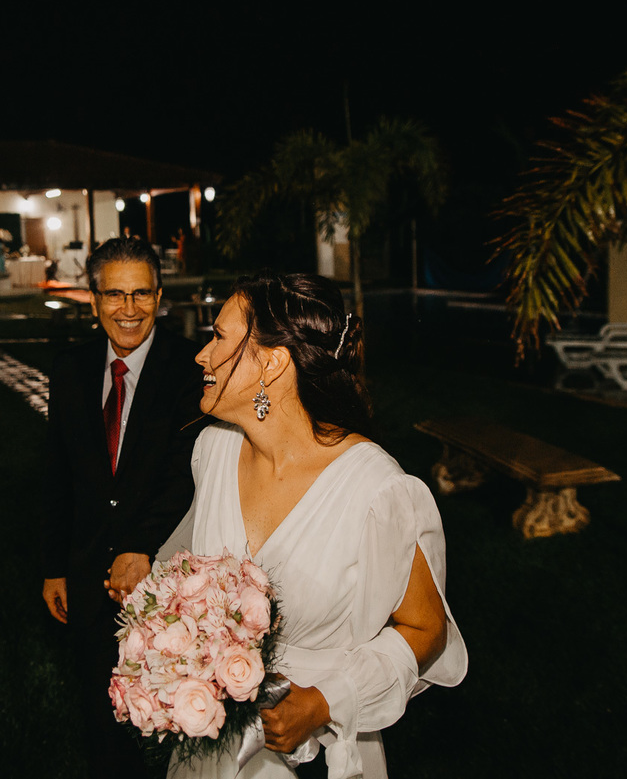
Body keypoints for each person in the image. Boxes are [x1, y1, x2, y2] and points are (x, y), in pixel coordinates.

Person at [160, 272, 467, 779]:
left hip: (319, 754)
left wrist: (329, 700)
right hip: (214, 743)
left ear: (273, 362)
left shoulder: (376, 490)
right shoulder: (213, 450)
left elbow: (426, 628)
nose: (202, 354)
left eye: (218, 337)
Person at [41, 237, 206, 779]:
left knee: (173, 718)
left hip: (163, 572)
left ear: (160, 297)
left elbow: (189, 469)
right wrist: (55, 567)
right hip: (87, 576)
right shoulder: (68, 370)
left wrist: (143, 545)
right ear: (93, 300)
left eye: (141, 294)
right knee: (101, 717)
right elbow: (57, 473)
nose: (129, 310)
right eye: (115, 295)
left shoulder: (191, 368)